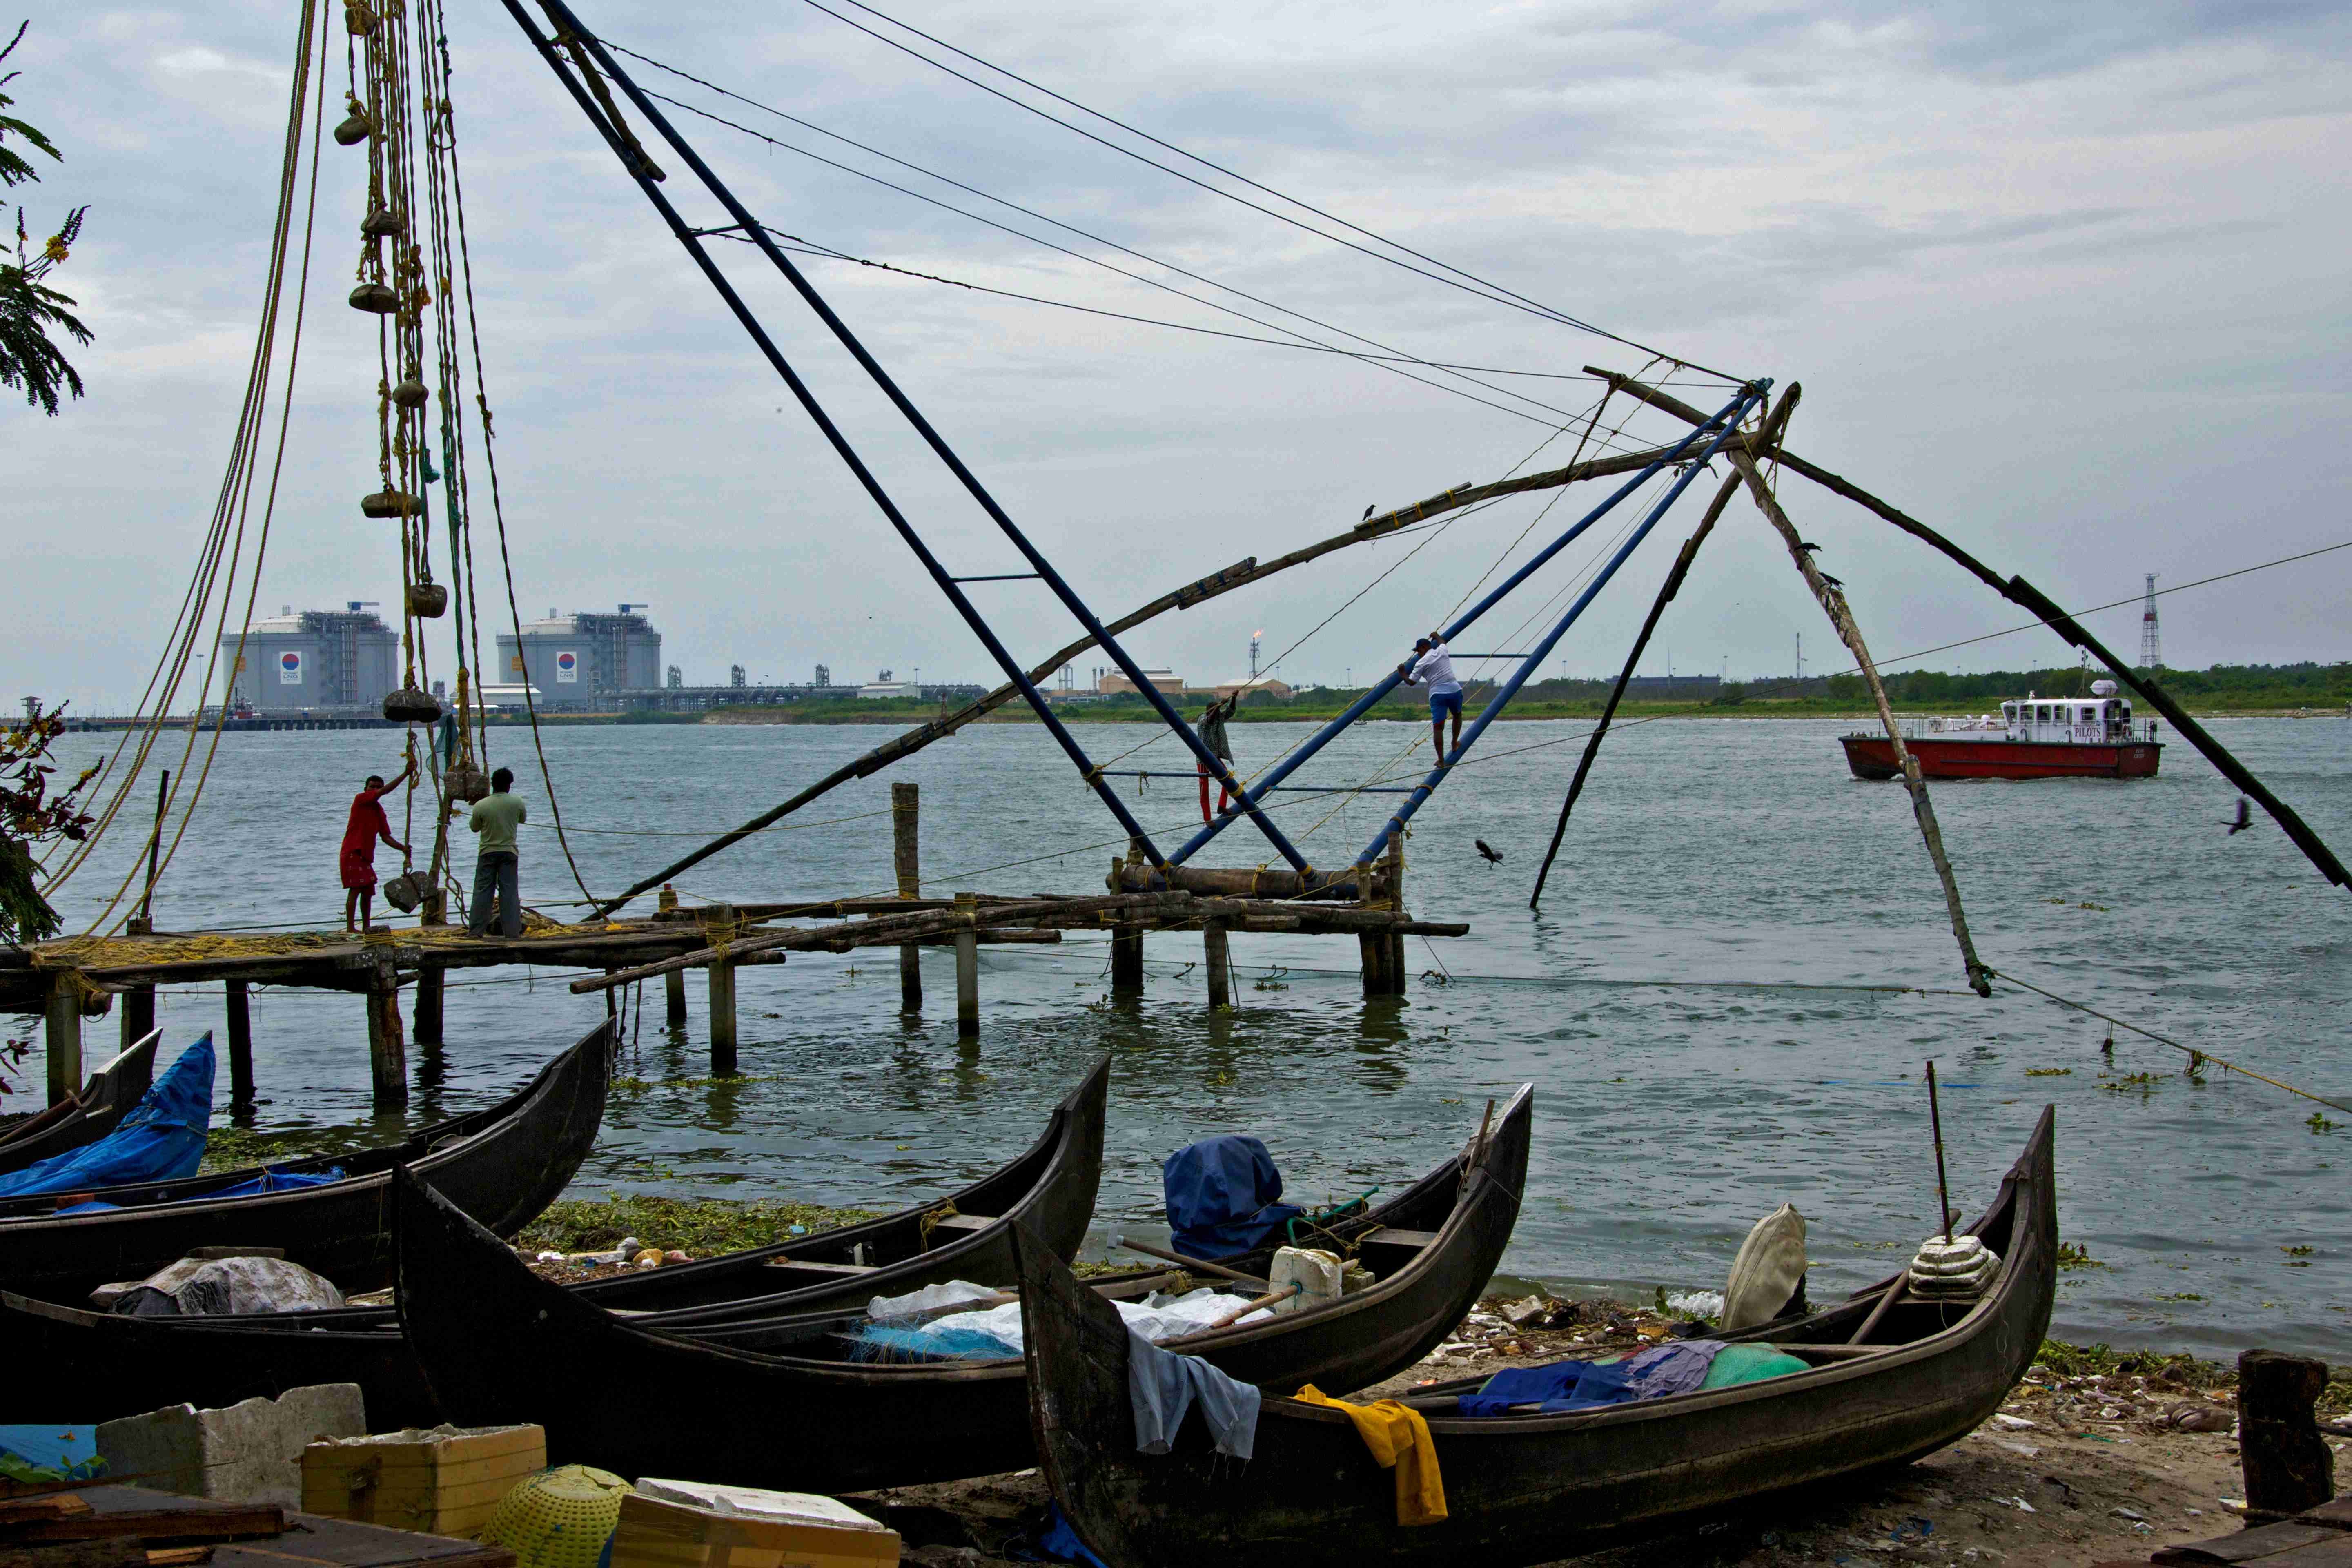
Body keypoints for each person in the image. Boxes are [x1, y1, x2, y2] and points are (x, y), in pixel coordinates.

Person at [340, 761, 413, 933]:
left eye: (377, 787)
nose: (374, 790)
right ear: (366, 789)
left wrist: (403, 848)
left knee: (368, 890)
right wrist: (405, 774)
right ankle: (351, 928)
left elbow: (386, 837)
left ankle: (366, 927)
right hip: (353, 851)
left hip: (364, 855)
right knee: (356, 888)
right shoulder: (361, 799)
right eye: (372, 787)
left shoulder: (379, 811)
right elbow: (385, 791)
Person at [466, 766, 528, 938]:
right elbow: (522, 819)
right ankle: (512, 932)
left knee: (482, 892)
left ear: (492, 784)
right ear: (510, 785)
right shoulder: (517, 802)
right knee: (509, 893)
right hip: (509, 852)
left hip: (487, 852)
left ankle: (476, 932)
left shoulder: (481, 805)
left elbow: (474, 828)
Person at [1398, 632, 1463, 762]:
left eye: (1418, 651)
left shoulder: (1421, 663)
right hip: (1454, 690)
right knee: (1457, 715)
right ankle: (1455, 743)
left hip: (1438, 694)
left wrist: (1402, 673)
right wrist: (1436, 635)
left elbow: (1411, 682)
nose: (1418, 654)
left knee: (1438, 727)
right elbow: (1442, 641)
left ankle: (1441, 760)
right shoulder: (1442, 651)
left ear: (1423, 647)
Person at [1196, 693, 1239, 823]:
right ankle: (1207, 819)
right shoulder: (1203, 719)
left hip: (1214, 756)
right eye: (1216, 710)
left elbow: (1231, 711)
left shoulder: (1219, 716)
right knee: (1204, 789)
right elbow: (1209, 720)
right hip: (1203, 758)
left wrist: (1234, 698)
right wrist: (1218, 707)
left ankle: (1221, 806)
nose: (1218, 713)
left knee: (1228, 778)